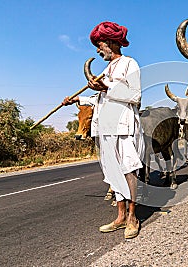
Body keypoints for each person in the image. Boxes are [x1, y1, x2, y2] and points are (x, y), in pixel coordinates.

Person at [62, 21, 143, 239]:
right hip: (105, 127)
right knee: (113, 172)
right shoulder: (106, 70)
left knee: (128, 169)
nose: (98, 51)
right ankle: (120, 217)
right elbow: (100, 99)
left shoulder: (129, 64)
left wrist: (106, 86)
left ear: (111, 42)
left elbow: (135, 95)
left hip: (123, 126)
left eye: (99, 45)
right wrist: (78, 99)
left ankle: (133, 218)